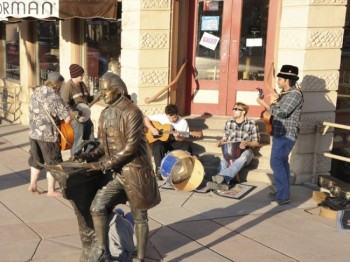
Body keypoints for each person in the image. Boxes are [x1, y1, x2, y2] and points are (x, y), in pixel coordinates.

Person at [76, 72, 161, 262]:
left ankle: (139, 258)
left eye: (106, 91)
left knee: (140, 217)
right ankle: (103, 251)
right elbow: (103, 145)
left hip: (135, 173)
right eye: (101, 90)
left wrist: (102, 164)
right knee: (97, 207)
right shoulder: (106, 113)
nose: (103, 94)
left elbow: (130, 147)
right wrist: (88, 155)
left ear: (118, 90)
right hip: (116, 174)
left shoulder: (132, 111)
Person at [257, 64, 303, 205]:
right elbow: (282, 108)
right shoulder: (287, 95)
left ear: (287, 81)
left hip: (286, 135)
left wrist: (264, 104)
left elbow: (282, 113)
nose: (278, 82)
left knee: (276, 162)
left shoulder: (294, 95)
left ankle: (283, 196)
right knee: (282, 163)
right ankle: (283, 193)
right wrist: (278, 100)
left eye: (280, 80)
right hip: (280, 133)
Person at [28, 72, 71, 197]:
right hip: (48, 136)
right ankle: (51, 190)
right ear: (57, 84)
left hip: (34, 133)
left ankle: (33, 184)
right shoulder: (54, 97)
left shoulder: (36, 92)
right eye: (61, 84)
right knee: (54, 163)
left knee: (36, 160)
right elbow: (66, 118)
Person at [206, 102, 260, 191]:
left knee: (243, 158)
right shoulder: (229, 123)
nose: (234, 111)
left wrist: (248, 143)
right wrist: (220, 142)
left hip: (245, 150)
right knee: (223, 159)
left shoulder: (252, 124)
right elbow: (224, 138)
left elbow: (256, 142)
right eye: (233, 109)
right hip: (230, 150)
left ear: (244, 112)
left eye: (237, 109)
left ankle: (221, 177)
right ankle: (223, 182)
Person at [144, 104, 193, 179]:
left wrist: (178, 137)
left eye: (175, 117)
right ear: (167, 115)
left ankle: (187, 170)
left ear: (177, 114)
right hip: (163, 141)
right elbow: (145, 118)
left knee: (187, 146)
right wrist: (153, 129)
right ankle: (159, 171)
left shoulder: (183, 122)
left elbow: (183, 139)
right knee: (158, 146)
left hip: (174, 142)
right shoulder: (161, 117)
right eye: (171, 117)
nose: (173, 119)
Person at [61, 64, 95, 157]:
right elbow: (65, 105)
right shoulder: (68, 87)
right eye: (81, 75)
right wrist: (78, 113)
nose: (83, 77)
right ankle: (76, 160)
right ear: (75, 75)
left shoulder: (82, 84)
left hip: (86, 116)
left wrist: (97, 96)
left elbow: (87, 98)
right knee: (78, 141)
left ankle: (89, 156)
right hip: (76, 120)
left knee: (90, 136)